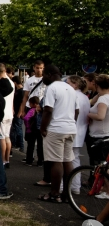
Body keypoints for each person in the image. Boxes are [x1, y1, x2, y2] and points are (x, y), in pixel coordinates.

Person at [37, 65, 79, 203]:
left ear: (49, 74)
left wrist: (43, 128)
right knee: (68, 160)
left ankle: (55, 193)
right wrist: (70, 123)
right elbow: (76, 111)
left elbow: (48, 110)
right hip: (70, 128)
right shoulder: (71, 89)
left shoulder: (52, 88)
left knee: (56, 161)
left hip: (56, 129)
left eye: (43, 75)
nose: (42, 78)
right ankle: (67, 194)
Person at [66, 75, 90, 196]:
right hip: (80, 132)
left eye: (68, 83)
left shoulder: (73, 96)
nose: (66, 85)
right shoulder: (85, 97)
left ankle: (64, 186)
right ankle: (76, 186)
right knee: (75, 159)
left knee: (64, 159)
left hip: (71, 129)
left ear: (75, 84)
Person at [0, 64, 15, 169]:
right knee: (7, 137)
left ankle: (1, 161)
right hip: (9, 113)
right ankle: (7, 159)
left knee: (1, 138)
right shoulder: (11, 82)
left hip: (2, 113)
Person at [23, 96, 41, 166]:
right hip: (39, 129)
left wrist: (28, 126)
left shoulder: (31, 110)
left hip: (31, 130)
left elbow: (26, 118)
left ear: (33, 104)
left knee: (30, 146)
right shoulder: (41, 110)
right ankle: (40, 161)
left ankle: (29, 161)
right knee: (40, 146)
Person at [10, 76, 25, 152]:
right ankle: (17, 144)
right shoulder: (18, 90)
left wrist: (20, 112)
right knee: (16, 128)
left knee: (18, 129)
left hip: (18, 113)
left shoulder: (21, 91)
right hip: (15, 112)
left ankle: (21, 145)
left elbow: (22, 103)